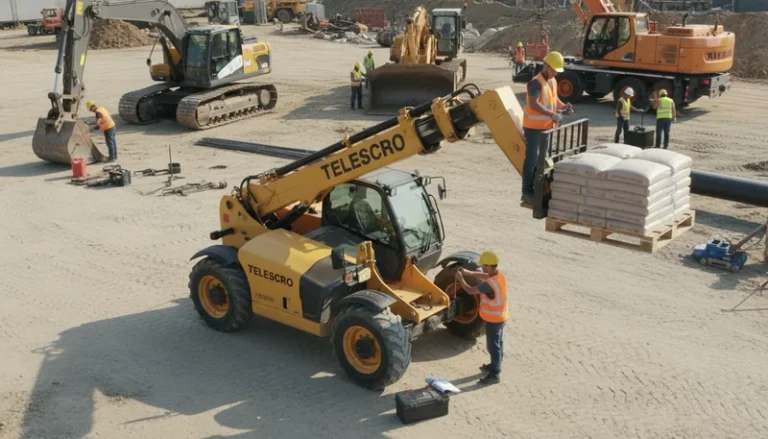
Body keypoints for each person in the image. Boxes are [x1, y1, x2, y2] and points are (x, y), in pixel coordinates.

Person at [521, 51, 571, 206]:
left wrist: (563, 106)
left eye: (557, 70)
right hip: (534, 129)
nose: (555, 72)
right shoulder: (535, 83)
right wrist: (552, 114)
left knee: (543, 161)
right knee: (532, 161)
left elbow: (553, 98)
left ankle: (539, 189)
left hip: (546, 127)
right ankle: (527, 192)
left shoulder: (552, 81)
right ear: (546, 66)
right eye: (553, 69)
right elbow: (533, 104)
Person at [455, 251, 508, 385]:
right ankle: (496, 364)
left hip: (494, 319)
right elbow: (486, 276)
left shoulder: (489, 285)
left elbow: (471, 291)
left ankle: (495, 374)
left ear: (490, 266)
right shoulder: (499, 274)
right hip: (502, 316)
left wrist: (461, 279)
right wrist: (470, 273)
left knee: (493, 346)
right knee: (499, 342)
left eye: (484, 266)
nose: (483, 268)